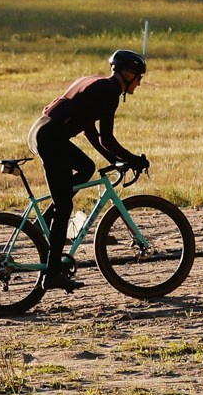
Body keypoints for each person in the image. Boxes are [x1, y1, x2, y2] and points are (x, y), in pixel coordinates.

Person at [30, 49, 151, 289]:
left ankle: (45, 219)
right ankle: (51, 274)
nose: (139, 83)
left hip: (43, 132)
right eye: (139, 77)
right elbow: (106, 137)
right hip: (51, 139)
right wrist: (132, 159)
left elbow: (90, 132)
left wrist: (113, 160)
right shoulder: (109, 92)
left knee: (86, 168)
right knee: (65, 206)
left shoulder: (97, 83)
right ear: (128, 73)